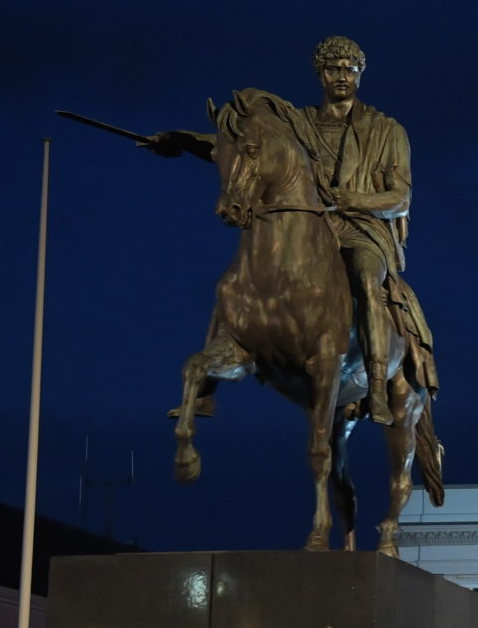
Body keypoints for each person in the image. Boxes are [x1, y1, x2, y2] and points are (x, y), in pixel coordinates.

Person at [146, 36, 433, 426]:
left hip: (360, 230)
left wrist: (353, 200)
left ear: (361, 74)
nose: (342, 76)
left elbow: (400, 197)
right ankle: (207, 392)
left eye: (350, 69)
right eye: (333, 69)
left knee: (364, 276)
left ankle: (378, 386)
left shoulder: (386, 130)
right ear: (320, 74)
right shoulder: (297, 124)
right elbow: (242, 146)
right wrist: (180, 140)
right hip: (308, 227)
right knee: (238, 282)